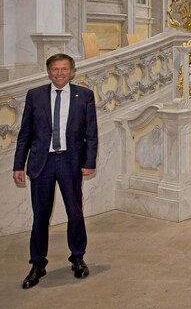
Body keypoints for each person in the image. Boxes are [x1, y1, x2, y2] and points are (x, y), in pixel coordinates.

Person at [12, 53, 98, 289]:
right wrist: (19, 164)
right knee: (40, 215)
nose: (59, 73)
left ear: (72, 71)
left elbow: (91, 134)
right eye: (55, 69)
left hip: (70, 162)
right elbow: (24, 134)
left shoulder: (85, 96)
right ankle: (37, 264)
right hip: (42, 163)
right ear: (48, 72)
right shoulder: (35, 95)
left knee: (75, 212)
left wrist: (89, 162)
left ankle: (78, 258)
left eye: (64, 69)